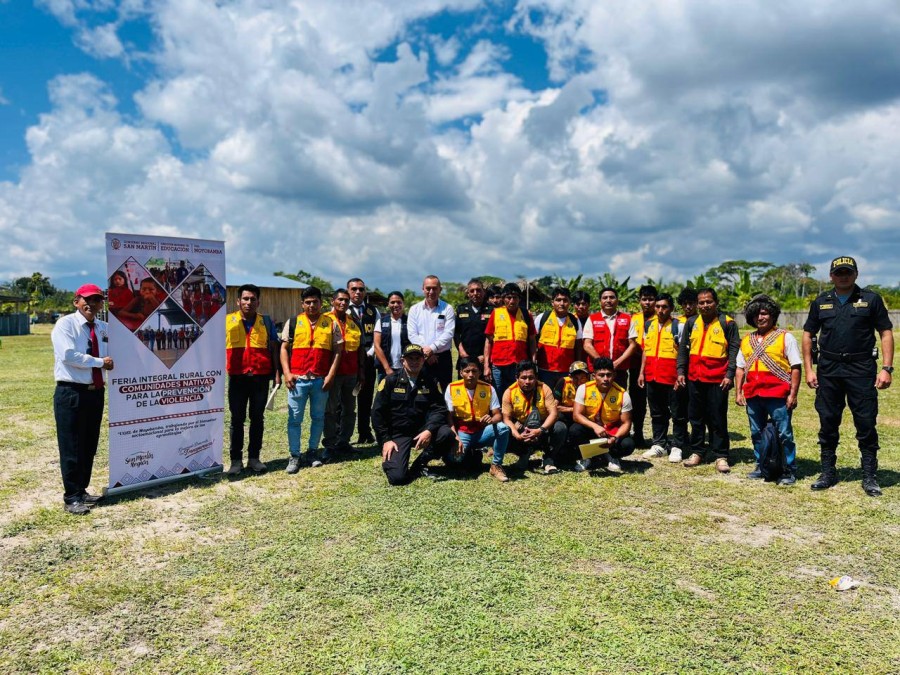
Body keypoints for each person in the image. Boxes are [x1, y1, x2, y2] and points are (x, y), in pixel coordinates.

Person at [802, 256, 893, 496]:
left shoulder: (870, 300)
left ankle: (869, 476)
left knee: (865, 421)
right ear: (831, 276)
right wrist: (809, 369)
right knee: (828, 421)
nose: (843, 276)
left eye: (847, 272)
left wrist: (886, 368)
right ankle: (828, 472)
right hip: (829, 370)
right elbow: (808, 334)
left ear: (856, 274)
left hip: (861, 369)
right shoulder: (821, 302)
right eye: (839, 272)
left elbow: (885, 332)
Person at [51, 284, 114, 515]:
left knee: (89, 444)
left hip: (95, 392)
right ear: (76, 301)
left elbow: (120, 347)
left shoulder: (104, 327)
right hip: (71, 392)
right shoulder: (65, 325)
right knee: (71, 446)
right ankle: (71, 497)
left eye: (98, 300)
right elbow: (68, 355)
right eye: (87, 299)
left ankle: (82, 490)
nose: (93, 304)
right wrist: (100, 362)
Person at [735, 294, 801, 486]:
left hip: (778, 394)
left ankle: (789, 469)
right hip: (753, 394)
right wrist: (738, 392)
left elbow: (796, 367)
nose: (760, 318)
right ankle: (761, 464)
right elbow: (740, 368)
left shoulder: (785, 337)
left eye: (764, 313)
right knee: (756, 432)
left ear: (772, 315)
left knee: (784, 433)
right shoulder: (747, 340)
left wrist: (793, 394)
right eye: (756, 314)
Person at [676, 288, 740, 473]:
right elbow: (683, 351)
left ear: (716, 303)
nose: (705, 305)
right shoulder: (691, 322)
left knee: (717, 417)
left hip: (717, 379)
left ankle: (721, 455)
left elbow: (734, 352)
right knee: (695, 417)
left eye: (708, 302)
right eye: (701, 302)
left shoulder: (727, 323)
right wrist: (681, 371)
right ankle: (697, 451)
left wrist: (729, 375)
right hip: (694, 378)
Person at [373, 344, 456, 485]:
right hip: (398, 434)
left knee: (446, 434)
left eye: (417, 358)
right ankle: (391, 461)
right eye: (410, 358)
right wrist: (386, 440)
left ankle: (420, 464)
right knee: (397, 478)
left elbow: (439, 408)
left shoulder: (430, 380)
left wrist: (429, 430)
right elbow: (377, 413)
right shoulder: (390, 381)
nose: (414, 362)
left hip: (421, 431)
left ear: (423, 360)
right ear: (402, 360)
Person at [280, 286, 342, 473]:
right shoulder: (293, 322)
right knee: (294, 419)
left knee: (318, 418)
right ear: (302, 304)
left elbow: (338, 351)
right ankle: (294, 456)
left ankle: (313, 452)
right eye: (308, 302)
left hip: (320, 380)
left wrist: (331, 375)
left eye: (315, 302)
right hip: (297, 380)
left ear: (321, 303)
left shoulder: (331, 323)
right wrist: (287, 373)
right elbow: (283, 349)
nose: (312, 305)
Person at [224, 284, 281, 475]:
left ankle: (254, 459)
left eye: (253, 299)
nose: (249, 302)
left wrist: (276, 374)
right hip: (237, 377)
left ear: (258, 301)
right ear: (238, 301)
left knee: (257, 418)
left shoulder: (266, 322)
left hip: (260, 378)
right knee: (236, 419)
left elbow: (274, 348)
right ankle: (236, 461)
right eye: (245, 299)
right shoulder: (227, 321)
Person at [638, 293, 687, 463]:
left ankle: (677, 446)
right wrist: (641, 372)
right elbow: (646, 350)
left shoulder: (678, 326)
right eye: (657, 306)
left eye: (664, 307)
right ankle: (659, 444)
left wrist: (680, 375)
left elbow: (683, 353)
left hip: (672, 378)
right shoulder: (648, 325)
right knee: (657, 413)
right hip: (652, 377)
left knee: (678, 414)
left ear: (671, 308)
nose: (660, 310)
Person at [446, 358, 511, 482]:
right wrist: (456, 437)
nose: (471, 375)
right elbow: (448, 417)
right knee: (455, 460)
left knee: (503, 428)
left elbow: (498, 415)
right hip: (463, 432)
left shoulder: (488, 388)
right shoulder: (452, 388)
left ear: (480, 372)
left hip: (482, 432)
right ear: (461, 373)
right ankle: (471, 454)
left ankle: (496, 465)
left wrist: (492, 419)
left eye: (474, 371)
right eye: (467, 371)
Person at [570, 357, 636, 474]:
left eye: (609, 375)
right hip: (592, 430)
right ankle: (587, 456)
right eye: (601, 375)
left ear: (614, 375)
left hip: (611, 432)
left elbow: (627, 423)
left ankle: (611, 455)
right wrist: (594, 427)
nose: (605, 379)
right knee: (575, 430)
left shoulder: (622, 394)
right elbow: (576, 415)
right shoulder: (583, 389)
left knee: (628, 444)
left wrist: (615, 438)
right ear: (594, 375)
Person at [501, 360, 566, 474]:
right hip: (521, 431)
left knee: (560, 427)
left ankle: (549, 458)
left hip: (541, 429)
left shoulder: (544, 388)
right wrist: (517, 435)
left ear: (536, 377)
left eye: (531, 378)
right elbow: (506, 419)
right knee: (504, 430)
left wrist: (540, 430)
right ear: (517, 378)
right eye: (523, 378)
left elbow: (553, 413)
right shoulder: (509, 392)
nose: (527, 382)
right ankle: (524, 454)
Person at [323, 289, 365, 457]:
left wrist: (361, 371)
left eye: (346, 301)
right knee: (331, 410)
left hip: (351, 373)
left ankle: (344, 442)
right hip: (332, 373)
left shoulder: (354, 322)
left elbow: (361, 348)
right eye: (340, 300)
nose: (343, 303)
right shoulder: (324, 320)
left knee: (349, 409)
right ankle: (330, 445)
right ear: (333, 301)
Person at [484, 283, 536, 396]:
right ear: (503, 299)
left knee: (517, 394)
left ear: (519, 299)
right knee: (497, 393)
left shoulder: (527, 315)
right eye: (508, 298)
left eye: (515, 298)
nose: (512, 301)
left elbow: (532, 340)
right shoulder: (496, 313)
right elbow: (488, 341)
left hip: (519, 364)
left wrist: (533, 361)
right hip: (498, 364)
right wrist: (486, 366)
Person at [407, 275, 456, 388]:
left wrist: (432, 349)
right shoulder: (414, 309)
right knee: (422, 392)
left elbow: (449, 333)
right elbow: (412, 334)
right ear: (423, 289)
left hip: (443, 358)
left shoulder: (447, 309)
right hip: (420, 357)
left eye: (435, 288)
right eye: (428, 288)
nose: (431, 291)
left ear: (440, 289)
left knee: (445, 391)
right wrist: (427, 353)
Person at [347, 278, 380, 445]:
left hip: (368, 359)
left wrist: (371, 352)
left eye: (361, 289)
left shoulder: (373, 311)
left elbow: (377, 335)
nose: (357, 292)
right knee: (345, 399)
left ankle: (365, 432)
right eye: (354, 289)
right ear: (348, 291)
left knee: (366, 398)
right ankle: (342, 435)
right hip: (348, 361)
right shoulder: (341, 309)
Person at [626, 284, 658, 447]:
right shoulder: (634, 318)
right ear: (639, 301)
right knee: (636, 401)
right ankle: (637, 432)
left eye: (651, 299)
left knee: (655, 401)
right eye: (644, 299)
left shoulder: (661, 318)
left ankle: (659, 436)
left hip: (655, 365)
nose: (647, 303)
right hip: (635, 365)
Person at [583, 288, 633, 386]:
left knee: (618, 399)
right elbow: (587, 345)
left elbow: (632, 345)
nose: (608, 300)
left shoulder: (627, 319)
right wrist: (602, 363)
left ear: (617, 300)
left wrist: (617, 363)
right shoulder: (592, 319)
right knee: (595, 398)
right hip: (597, 371)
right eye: (605, 298)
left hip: (619, 370)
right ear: (600, 301)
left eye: (612, 297)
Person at [534, 287, 582, 386]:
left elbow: (578, 347)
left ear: (569, 302)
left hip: (566, 371)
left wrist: (577, 369)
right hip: (544, 370)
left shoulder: (575, 321)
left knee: (565, 400)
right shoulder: (542, 318)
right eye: (558, 300)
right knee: (545, 399)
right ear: (552, 302)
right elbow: (532, 342)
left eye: (565, 300)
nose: (561, 303)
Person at [454, 278, 491, 372]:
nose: (475, 293)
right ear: (468, 293)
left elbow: (493, 336)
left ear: (484, 292)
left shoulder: (491, 310)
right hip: (465, 357)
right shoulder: (461, 309)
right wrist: (462, 352)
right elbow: (456, 333)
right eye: (472, 291)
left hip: (484, 359)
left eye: (478, 290)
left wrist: (485, 356)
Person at [374, 291, 409, 377]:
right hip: (385, 370)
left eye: (399, 302)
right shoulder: (381, 321)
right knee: (384, 390)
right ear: (388, 304)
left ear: (403, 304)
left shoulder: (410, 321)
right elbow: (376, 346)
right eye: (392, 302)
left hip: (406, 368)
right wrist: (387, 368)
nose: (396, 305)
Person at [553, 360, 590, 426]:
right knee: (559, 427)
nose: (579, 382)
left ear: (588, 377)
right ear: (570, 376)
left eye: (582, 378)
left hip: (584, 418)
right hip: (564, 417)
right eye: (575, 378)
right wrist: (575, 409)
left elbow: (591, 408)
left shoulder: (591, 386)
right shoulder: (563, 382)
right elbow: (555, 406)